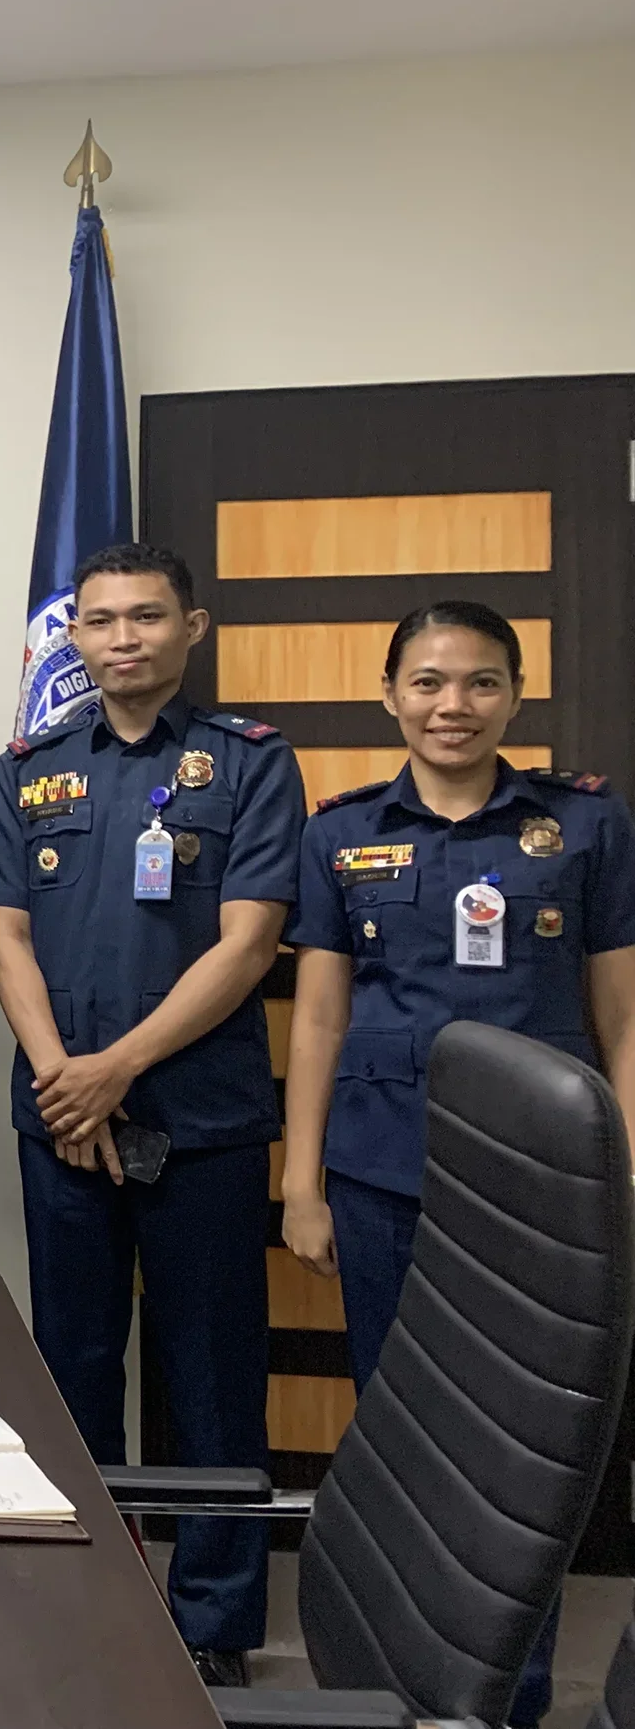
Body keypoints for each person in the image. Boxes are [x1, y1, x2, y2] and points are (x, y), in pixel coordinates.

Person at [283, 600, 635, 1728]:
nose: (452, 705)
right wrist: (301, 1180)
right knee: (407, 1436)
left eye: (479, 683)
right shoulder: (339, 833)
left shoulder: (582, 827)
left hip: (546, 1194)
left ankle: (510, 1696)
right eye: (428, 683)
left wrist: (624, 1167)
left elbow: (621, 1016)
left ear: (514, 697)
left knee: (521, 1451)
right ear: (389, 695)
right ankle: (405, 1690)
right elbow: (318, 1021)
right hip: (387, 1172)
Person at [0, 543, 304, 1686]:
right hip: (61, 1118)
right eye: (101, 620)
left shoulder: (251, 765)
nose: (122, 637)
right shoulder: (27, 767)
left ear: (190, 628)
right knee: (68, 1365)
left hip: (199, 1119)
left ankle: (214, 1622)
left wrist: (112, 1067)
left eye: (146, 617)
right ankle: (88, 1590)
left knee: (211, 1372)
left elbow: (251, 941)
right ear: (75, 639)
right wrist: (65, 1076)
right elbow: (5, 937)